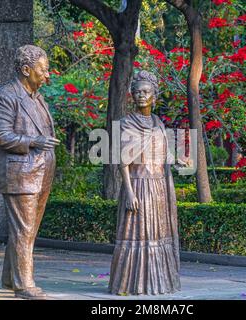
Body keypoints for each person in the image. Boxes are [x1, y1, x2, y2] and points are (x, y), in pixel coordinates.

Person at [0, 45, 60, 300]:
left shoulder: (37, 97)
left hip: (41, 172)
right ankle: (24, 285)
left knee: (26, 229)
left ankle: (10, 277)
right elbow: (0, 136)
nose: (48, 74)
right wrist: (33, 141)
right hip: (21, 174)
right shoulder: (4, 96)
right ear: (26, 69)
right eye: (44, 69)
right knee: (24, 230)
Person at [108, 70, 181, 295]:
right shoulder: (126, 124)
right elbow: (123, 162)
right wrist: (128, 191)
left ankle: (160, 282)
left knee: (158, 235)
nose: (141, 95)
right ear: (132, 95)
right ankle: (132, 283)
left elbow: (163, 156)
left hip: (159, 188)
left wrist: (177, 162)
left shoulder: (159, 123)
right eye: (137, 91)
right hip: (138, 185)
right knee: (137, 235)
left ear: (154, 96)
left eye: (146, 92)